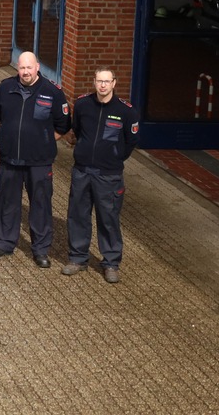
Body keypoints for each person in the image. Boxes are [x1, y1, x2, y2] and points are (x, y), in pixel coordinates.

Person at [0, 52, 70, 268]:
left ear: (37, 67)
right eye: (22, 68)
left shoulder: (52, 92)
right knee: (7, 203)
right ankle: (5, 243)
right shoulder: (6, 87)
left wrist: (41, 141)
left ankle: (41, 250)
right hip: (10, 160)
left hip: (39, 162)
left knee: (40, 206)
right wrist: (12, 135)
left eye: (29, 68)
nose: (25, 72)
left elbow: (63, 126)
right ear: (18, 68)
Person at [62, 68, 139, 284]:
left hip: (109, 175)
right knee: (77, 215)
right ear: (94, 82)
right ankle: (77, 258)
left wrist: (114, 157)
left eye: (107, 81)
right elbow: (76, 129)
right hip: (82, 171)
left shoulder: (127, 111)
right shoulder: (83, 105)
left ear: (114, 83)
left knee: (108, 218)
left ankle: (111, 263)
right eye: (99, 81)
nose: (103, 85)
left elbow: (131, 142)